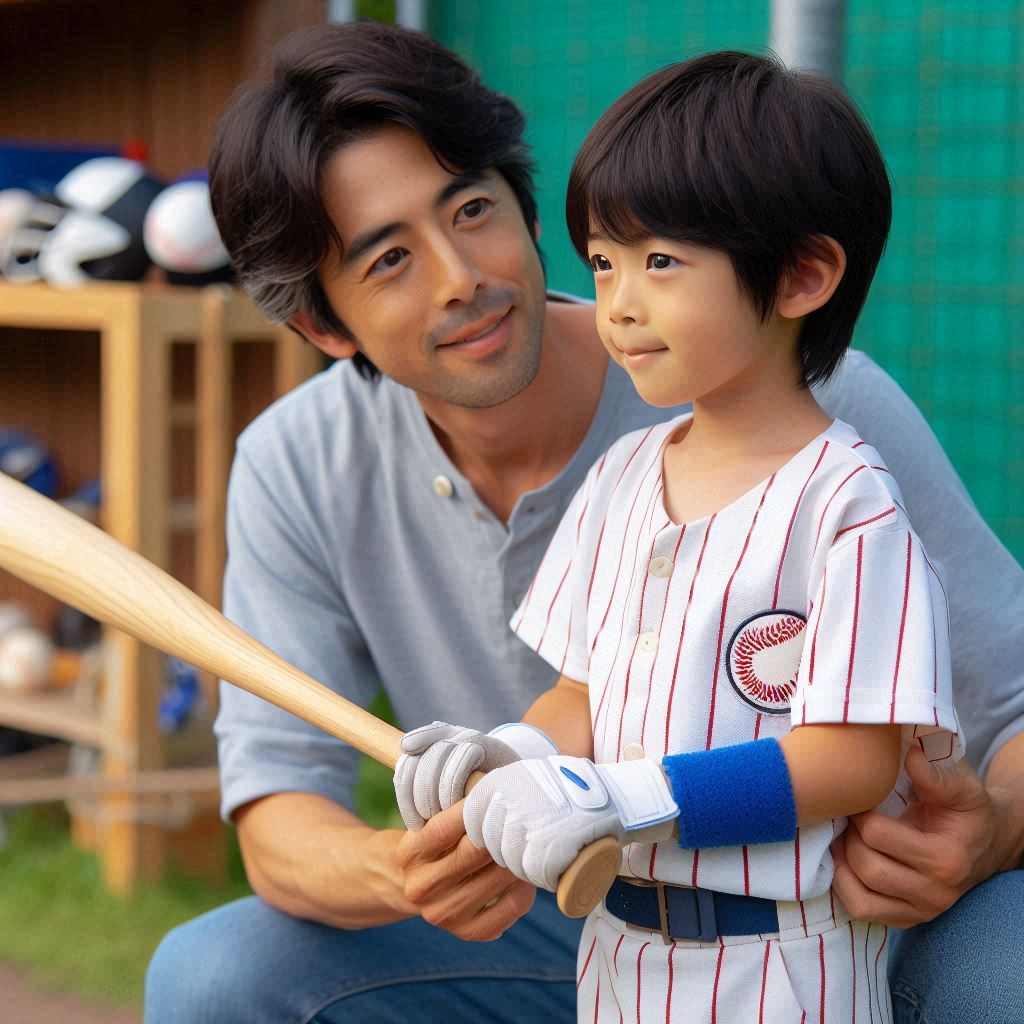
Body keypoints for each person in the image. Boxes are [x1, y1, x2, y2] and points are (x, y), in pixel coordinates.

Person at [143, 20, 1024, 1024]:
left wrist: (987, 831)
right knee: (213, 976)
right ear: (323, 324)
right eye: (387, 260)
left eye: (470, 209)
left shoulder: (818, 422)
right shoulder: (302, 463)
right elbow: (279, 808)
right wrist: (446, 834)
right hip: (573, 916)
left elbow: (998, 703)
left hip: (830, 905)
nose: (458, 275)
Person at [394, 51, 961, 1023]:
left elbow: (849, 761)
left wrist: (622, 796)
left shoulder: (848, 502)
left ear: (801, 275)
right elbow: (582, 692)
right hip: (617, 951)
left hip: (781, 963)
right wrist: (516, 754)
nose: (615, 304)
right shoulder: (621, 474)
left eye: (660, 262)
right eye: (604, 263)